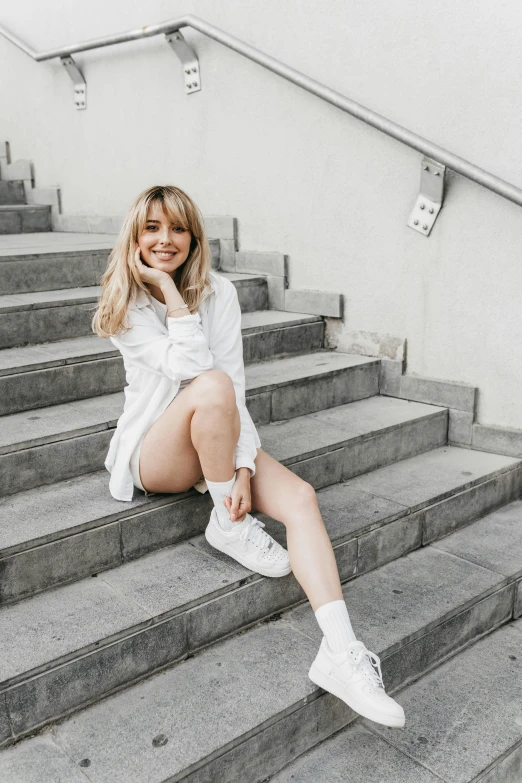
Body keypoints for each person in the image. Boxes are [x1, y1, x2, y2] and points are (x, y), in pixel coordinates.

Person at [92, 185, 405, 729]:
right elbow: (192, 371)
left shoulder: (220, 294)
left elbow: (233, 388)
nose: (165, 239)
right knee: (207, 384)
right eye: (152, 228)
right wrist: (168, 290)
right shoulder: (126, 302)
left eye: (177, 228)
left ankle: (342, 653)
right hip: (156, 457)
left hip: (217, 441)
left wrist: (241, 468)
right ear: (135, 237)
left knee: (302, 498)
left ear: (193, 236)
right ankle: (226, 521)